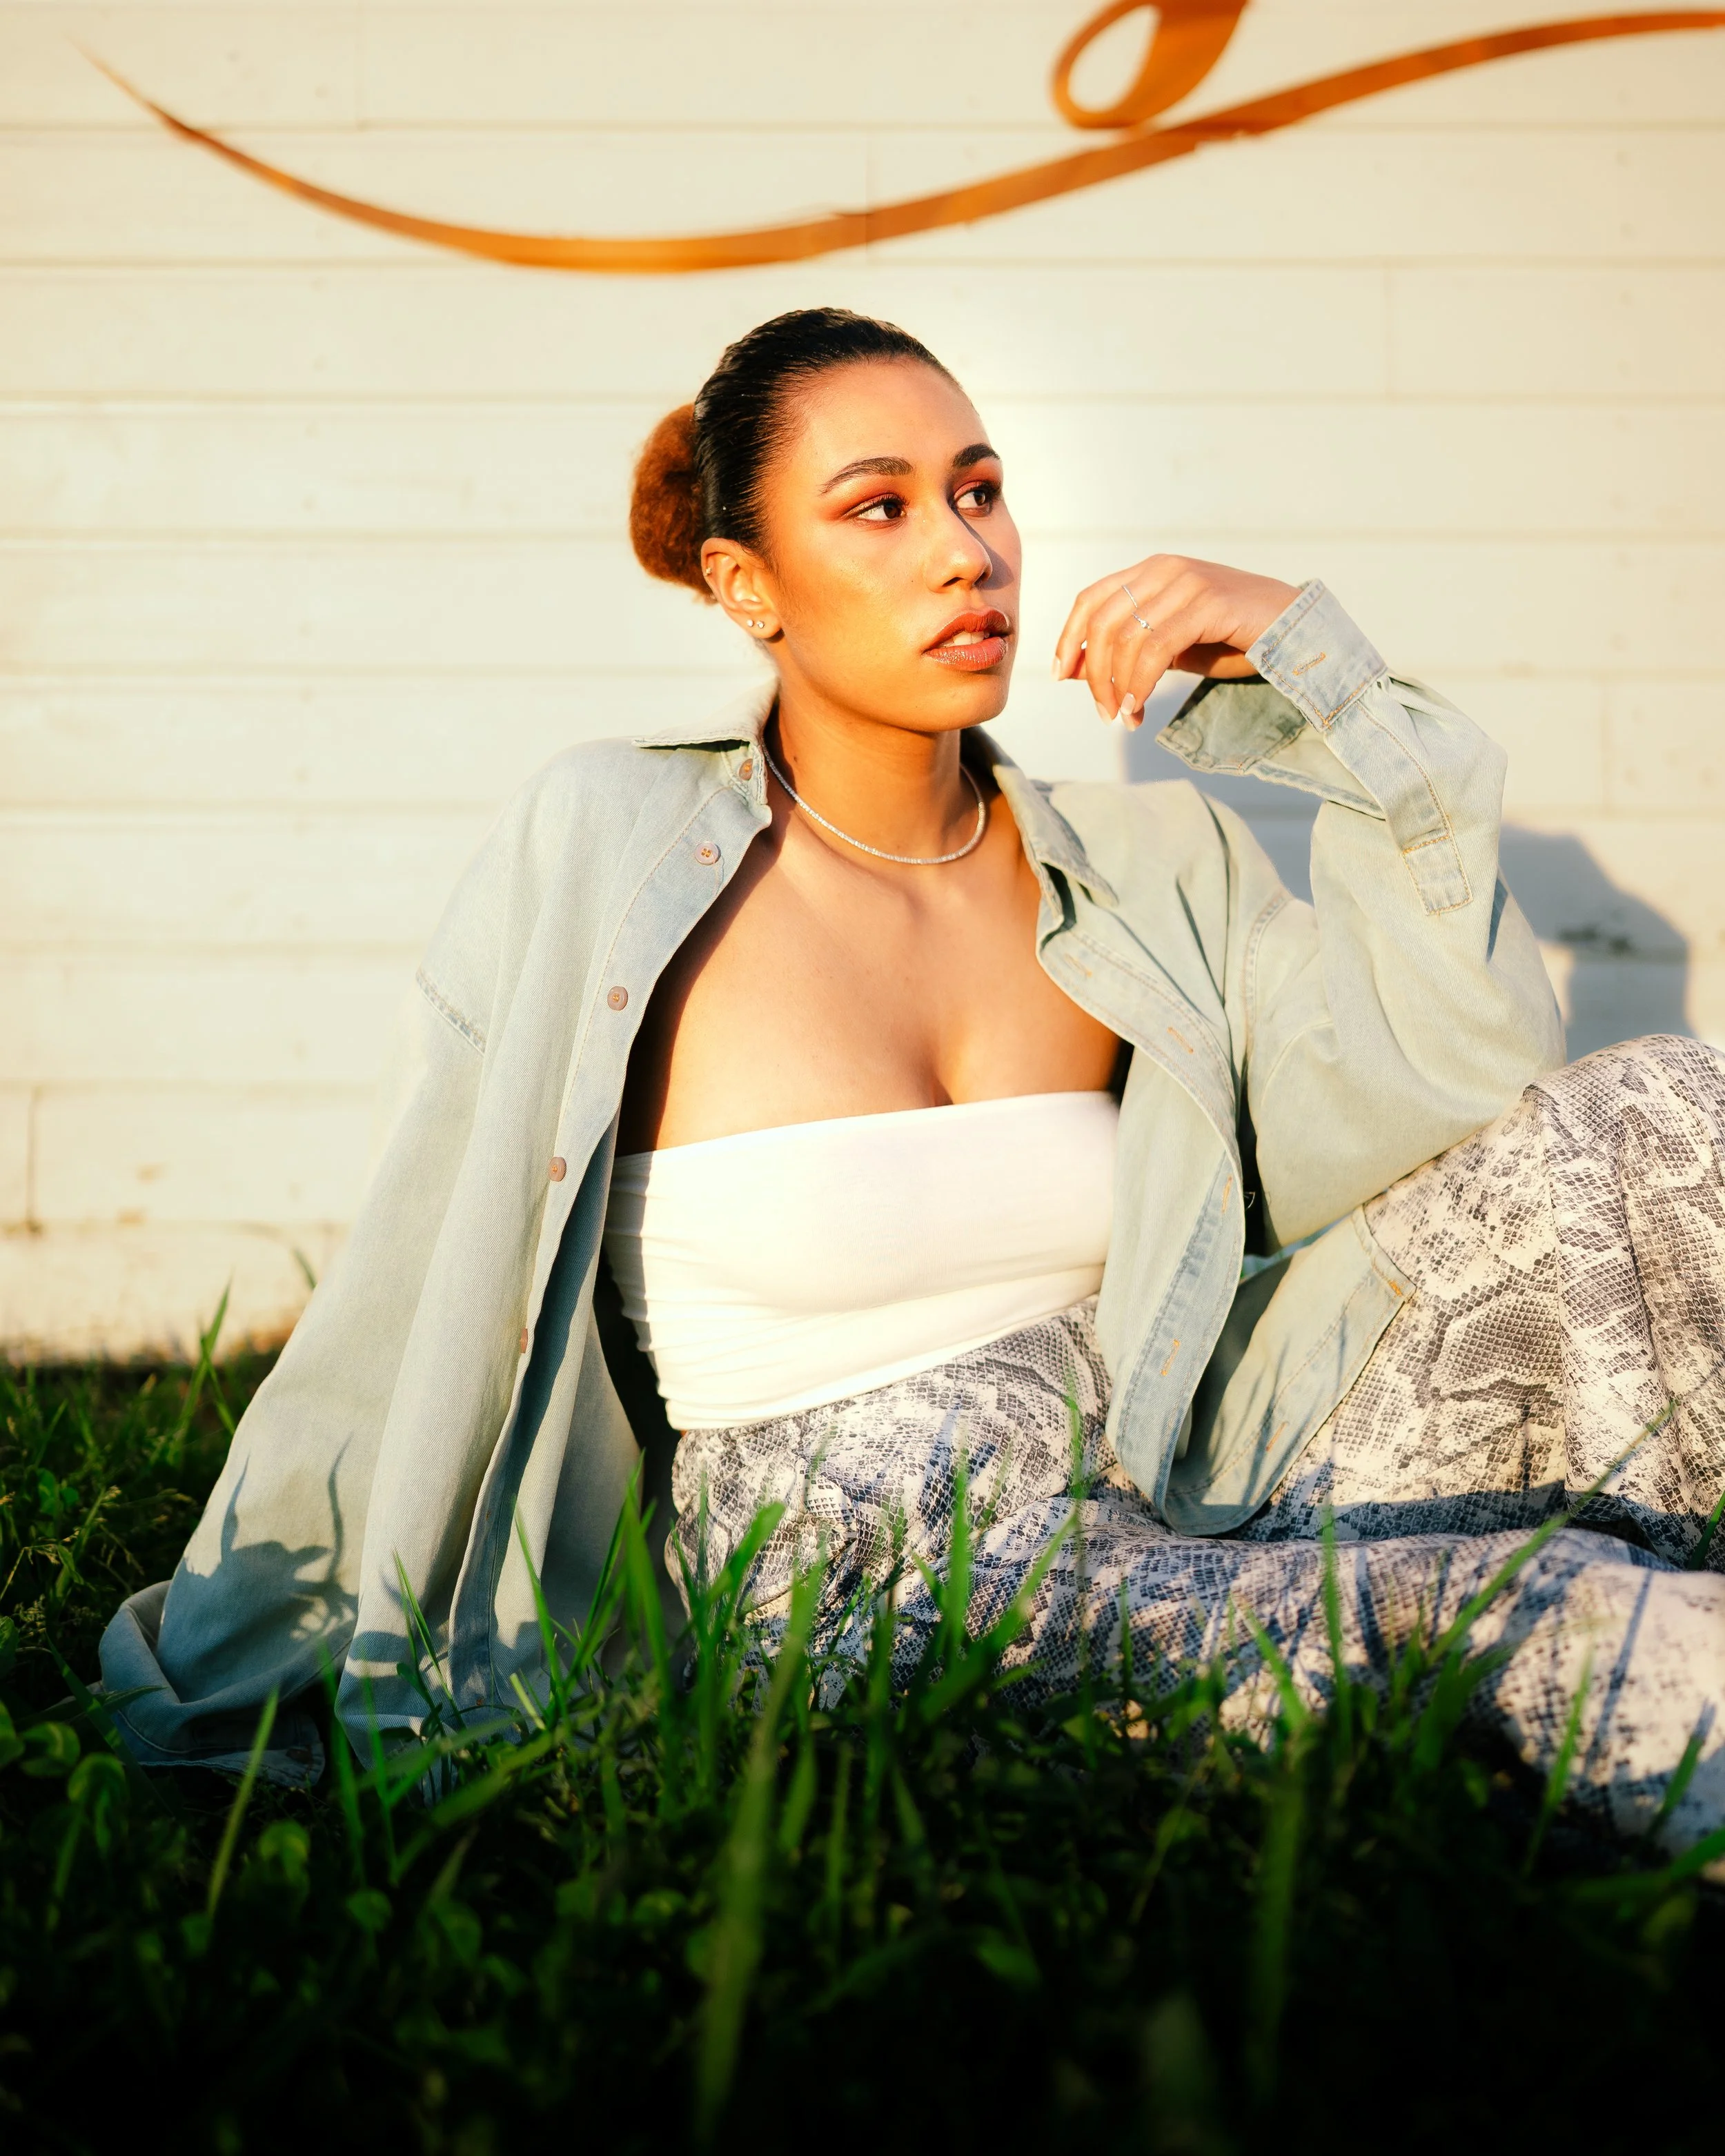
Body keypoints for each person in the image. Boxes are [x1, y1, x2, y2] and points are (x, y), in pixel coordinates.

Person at [102, 308, 1725, 1853]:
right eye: (878, 507)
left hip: (1169, 1451)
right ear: (744, 583)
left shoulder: (1139, 865)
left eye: (978, 490)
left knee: (1657, 1107)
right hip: (866, 1562)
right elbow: (433, 1251)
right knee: (1538, 1614)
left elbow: (1453, 1066)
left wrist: (1314, 672)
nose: (965, 551)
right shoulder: (611, 842)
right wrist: (295, 1604)